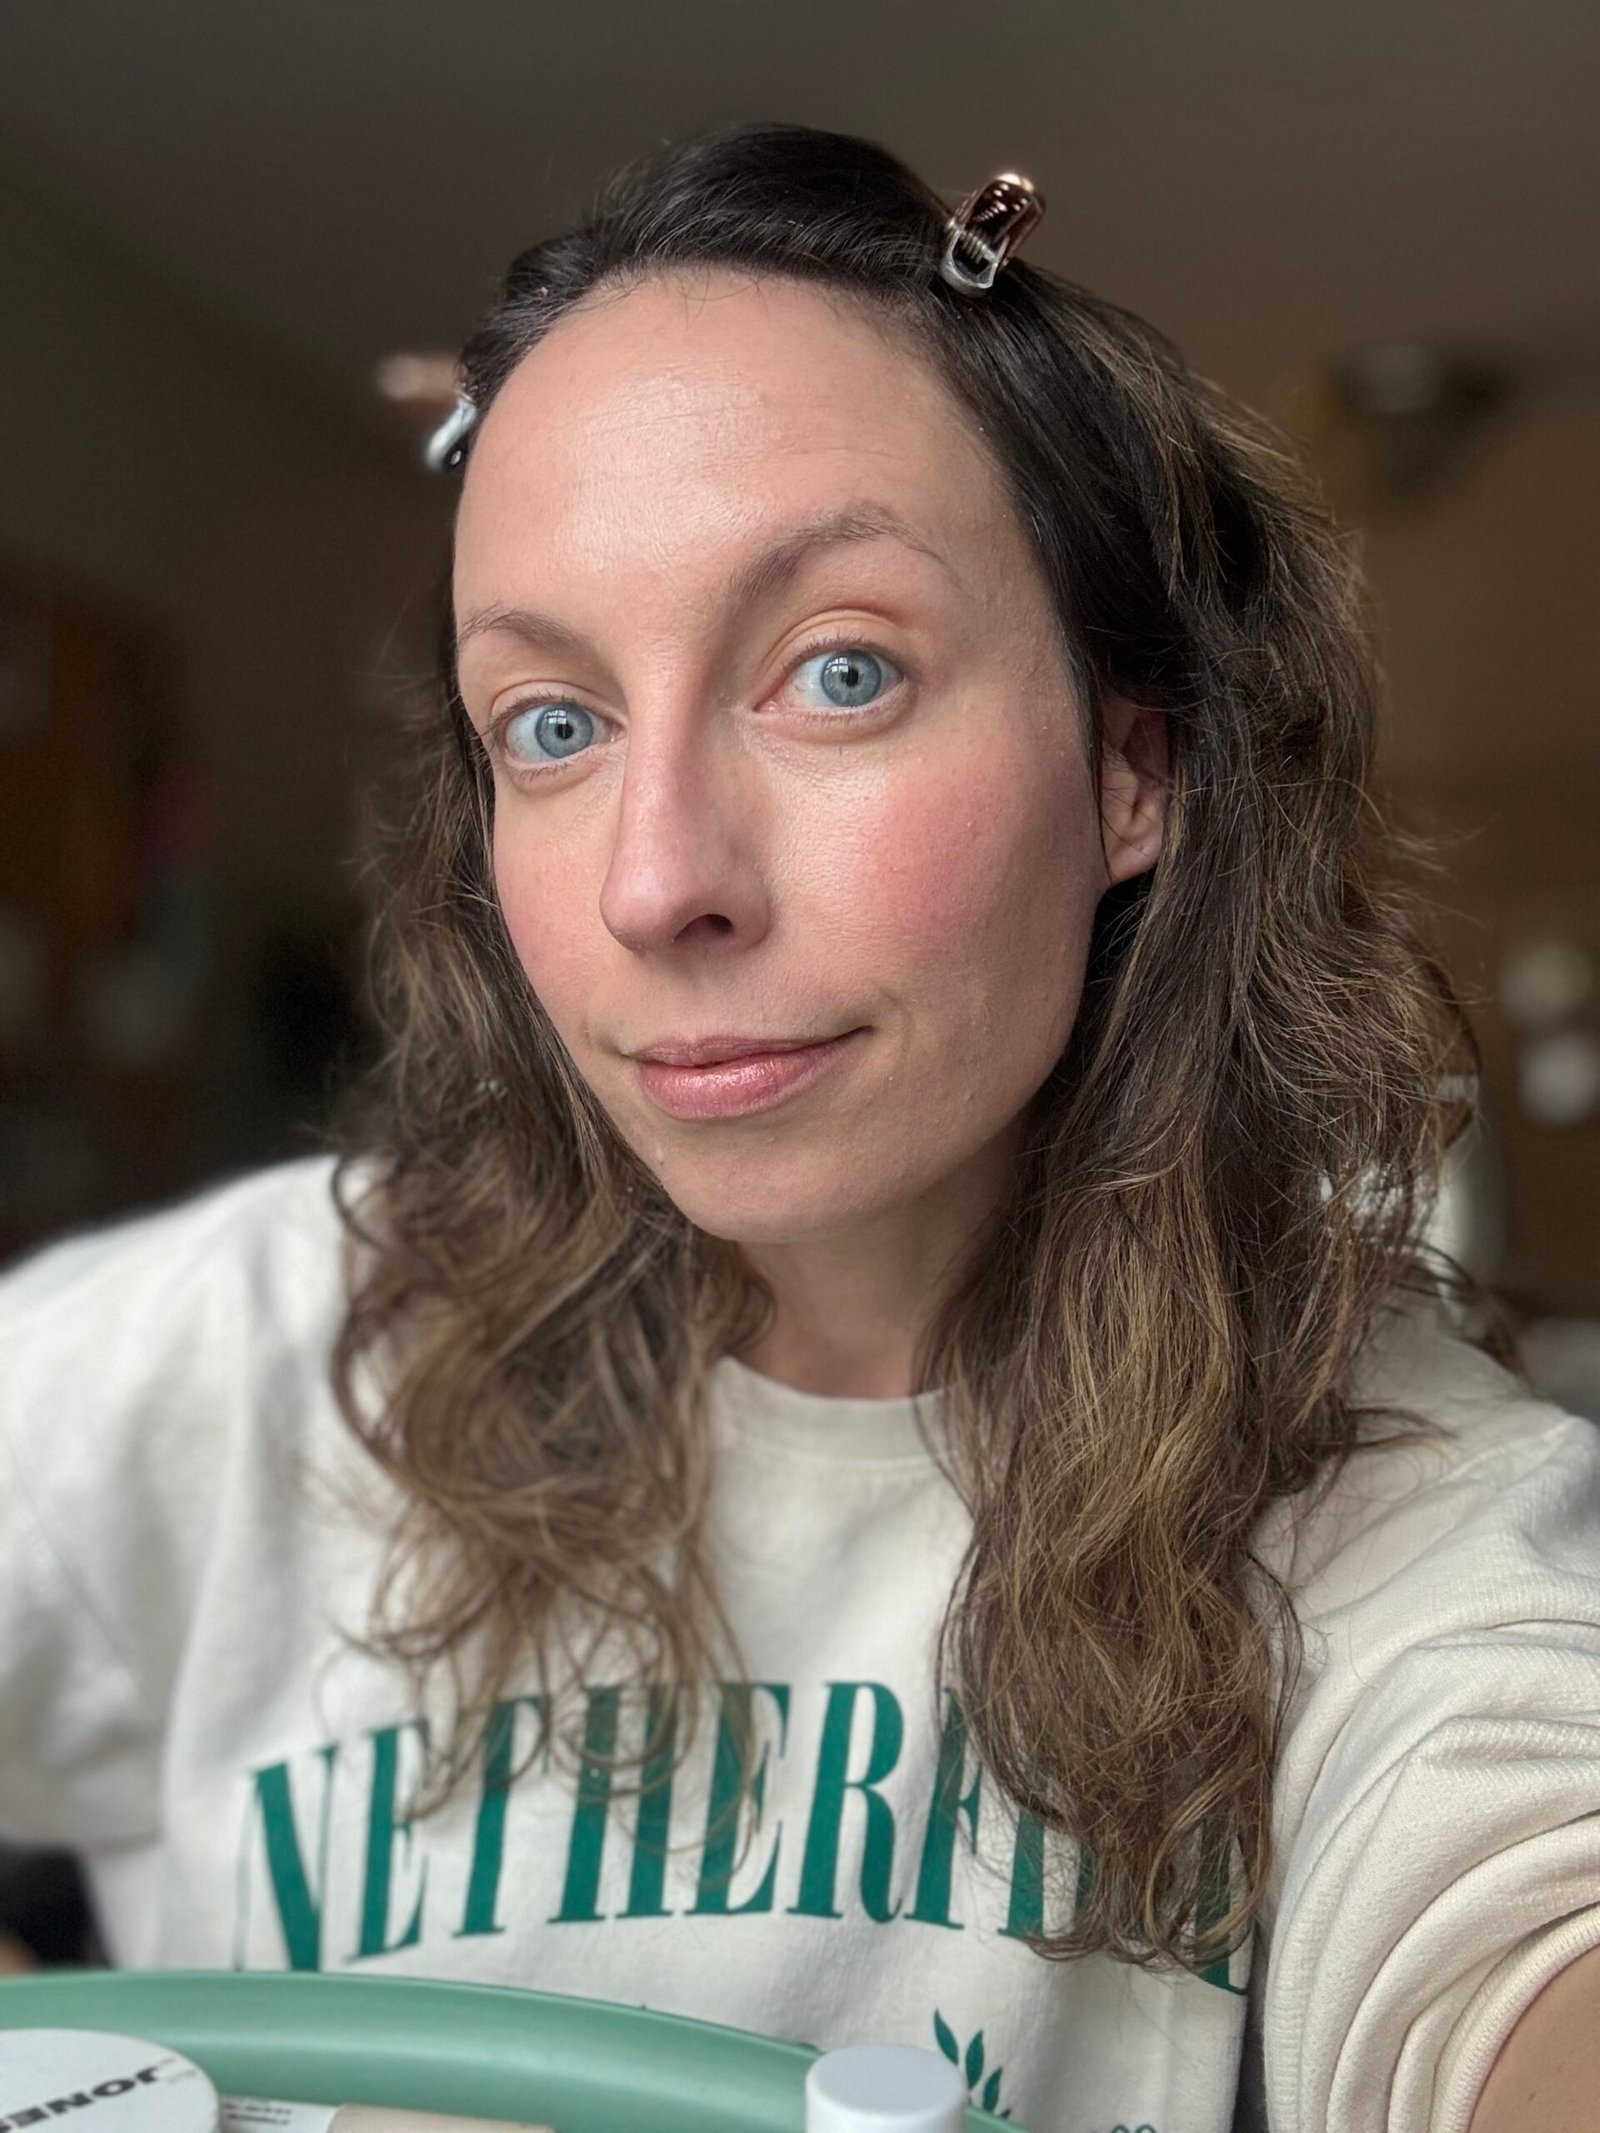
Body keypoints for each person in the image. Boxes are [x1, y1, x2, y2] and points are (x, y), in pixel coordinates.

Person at [1, 120, 1597, 2133]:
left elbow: (1517, 1904)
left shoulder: (1378, 1490)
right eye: (553, 723)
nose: (656, 881)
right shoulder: (256, 1345)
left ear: (1132, 770)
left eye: (837, 671)